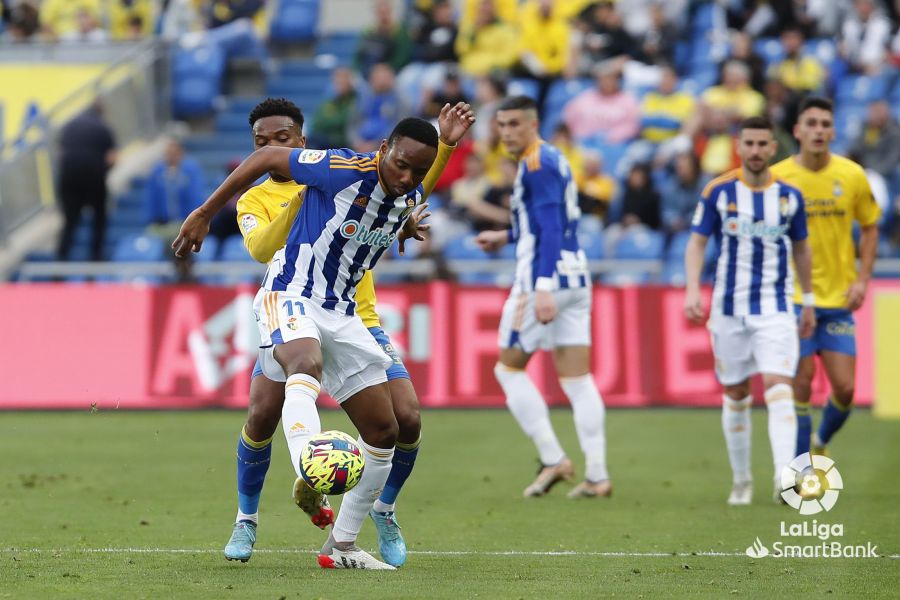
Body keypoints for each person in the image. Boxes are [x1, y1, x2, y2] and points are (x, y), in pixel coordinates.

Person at [175, 103, 476, 570]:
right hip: (290, 292)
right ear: (382, 150)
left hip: (345, 312)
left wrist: (419, 196)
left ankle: (342, 546)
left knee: (387, 429)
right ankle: (306, 472)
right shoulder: (337, 166)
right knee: (297, 372)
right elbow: (260, 165)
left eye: (415, 171)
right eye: (399, 164)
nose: (405, 177)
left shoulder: (406, 191)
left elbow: (411, 188)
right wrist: (204, 212)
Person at [474, 96, 611, 499]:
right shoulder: (552, 159)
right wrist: (507, 235)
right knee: (577, 379)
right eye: (501, 125)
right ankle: (598, 475)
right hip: (577, 276)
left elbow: (551, 227)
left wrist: (544, 285)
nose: (506, 132)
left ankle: (554, 459)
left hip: (541, 280)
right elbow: (546, 223)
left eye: (514, 124)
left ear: (533, 125)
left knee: (508, 370)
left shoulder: (535, 166)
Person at [684, 116, 816, 506]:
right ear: (738, 147)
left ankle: (783, 477)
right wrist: (692, 288)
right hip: (728, 311)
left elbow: (803, 249)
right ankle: (742, 480)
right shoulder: (718, 192)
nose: (756, 151)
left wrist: (807, 300)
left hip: (775, 309)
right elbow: (696, 243)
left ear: (773, 148)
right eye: (750, 144)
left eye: (763, 144)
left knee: (779, 386)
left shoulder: (790, 198)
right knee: (736, 393)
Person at [770, 97, 881, 458]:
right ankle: (798, 472)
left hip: (837, 300)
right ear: (797, 131)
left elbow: (870, 227)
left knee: (846, 389)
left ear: (833, 131)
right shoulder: (779, 178)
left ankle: (820, 443)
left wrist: (862, 278)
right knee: (801, 383)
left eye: (824, 124)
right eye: (811, 123)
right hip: (794, 298)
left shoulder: (851, 175)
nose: (818, 130)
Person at [56, 101, 116, 261]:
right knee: (99, 219)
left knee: (70, 222)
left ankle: (59, 266)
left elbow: (60, 155)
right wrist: (101, 171)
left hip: (69, 176)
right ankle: (95, 260)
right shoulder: (103, 128)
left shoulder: (69, 126)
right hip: (93, 176)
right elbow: (112, 159)